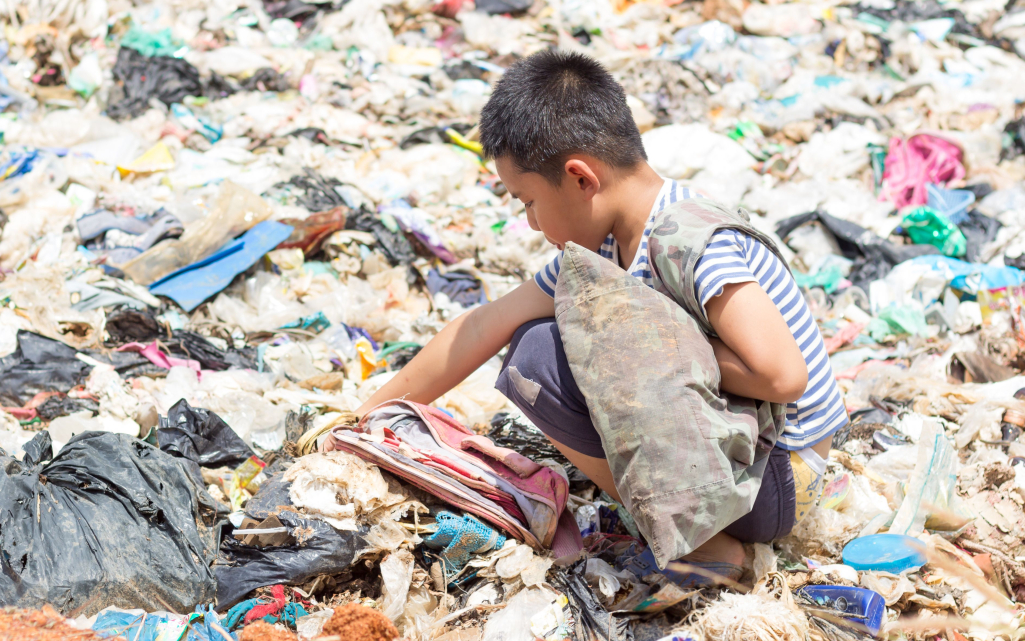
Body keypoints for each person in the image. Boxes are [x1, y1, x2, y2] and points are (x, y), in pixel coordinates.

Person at [358, 49, 845, 582]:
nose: (530, 222)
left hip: (779, 478)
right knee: (537, 345)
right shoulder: (605, 250)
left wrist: (648, 350)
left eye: (528, 201)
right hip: (743, 458)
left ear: (581, 179)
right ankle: (693, 530)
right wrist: (364, 420)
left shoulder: (688, 241)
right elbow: (482, 326)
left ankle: (713, 549)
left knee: (548, 358)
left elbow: (783, 376)